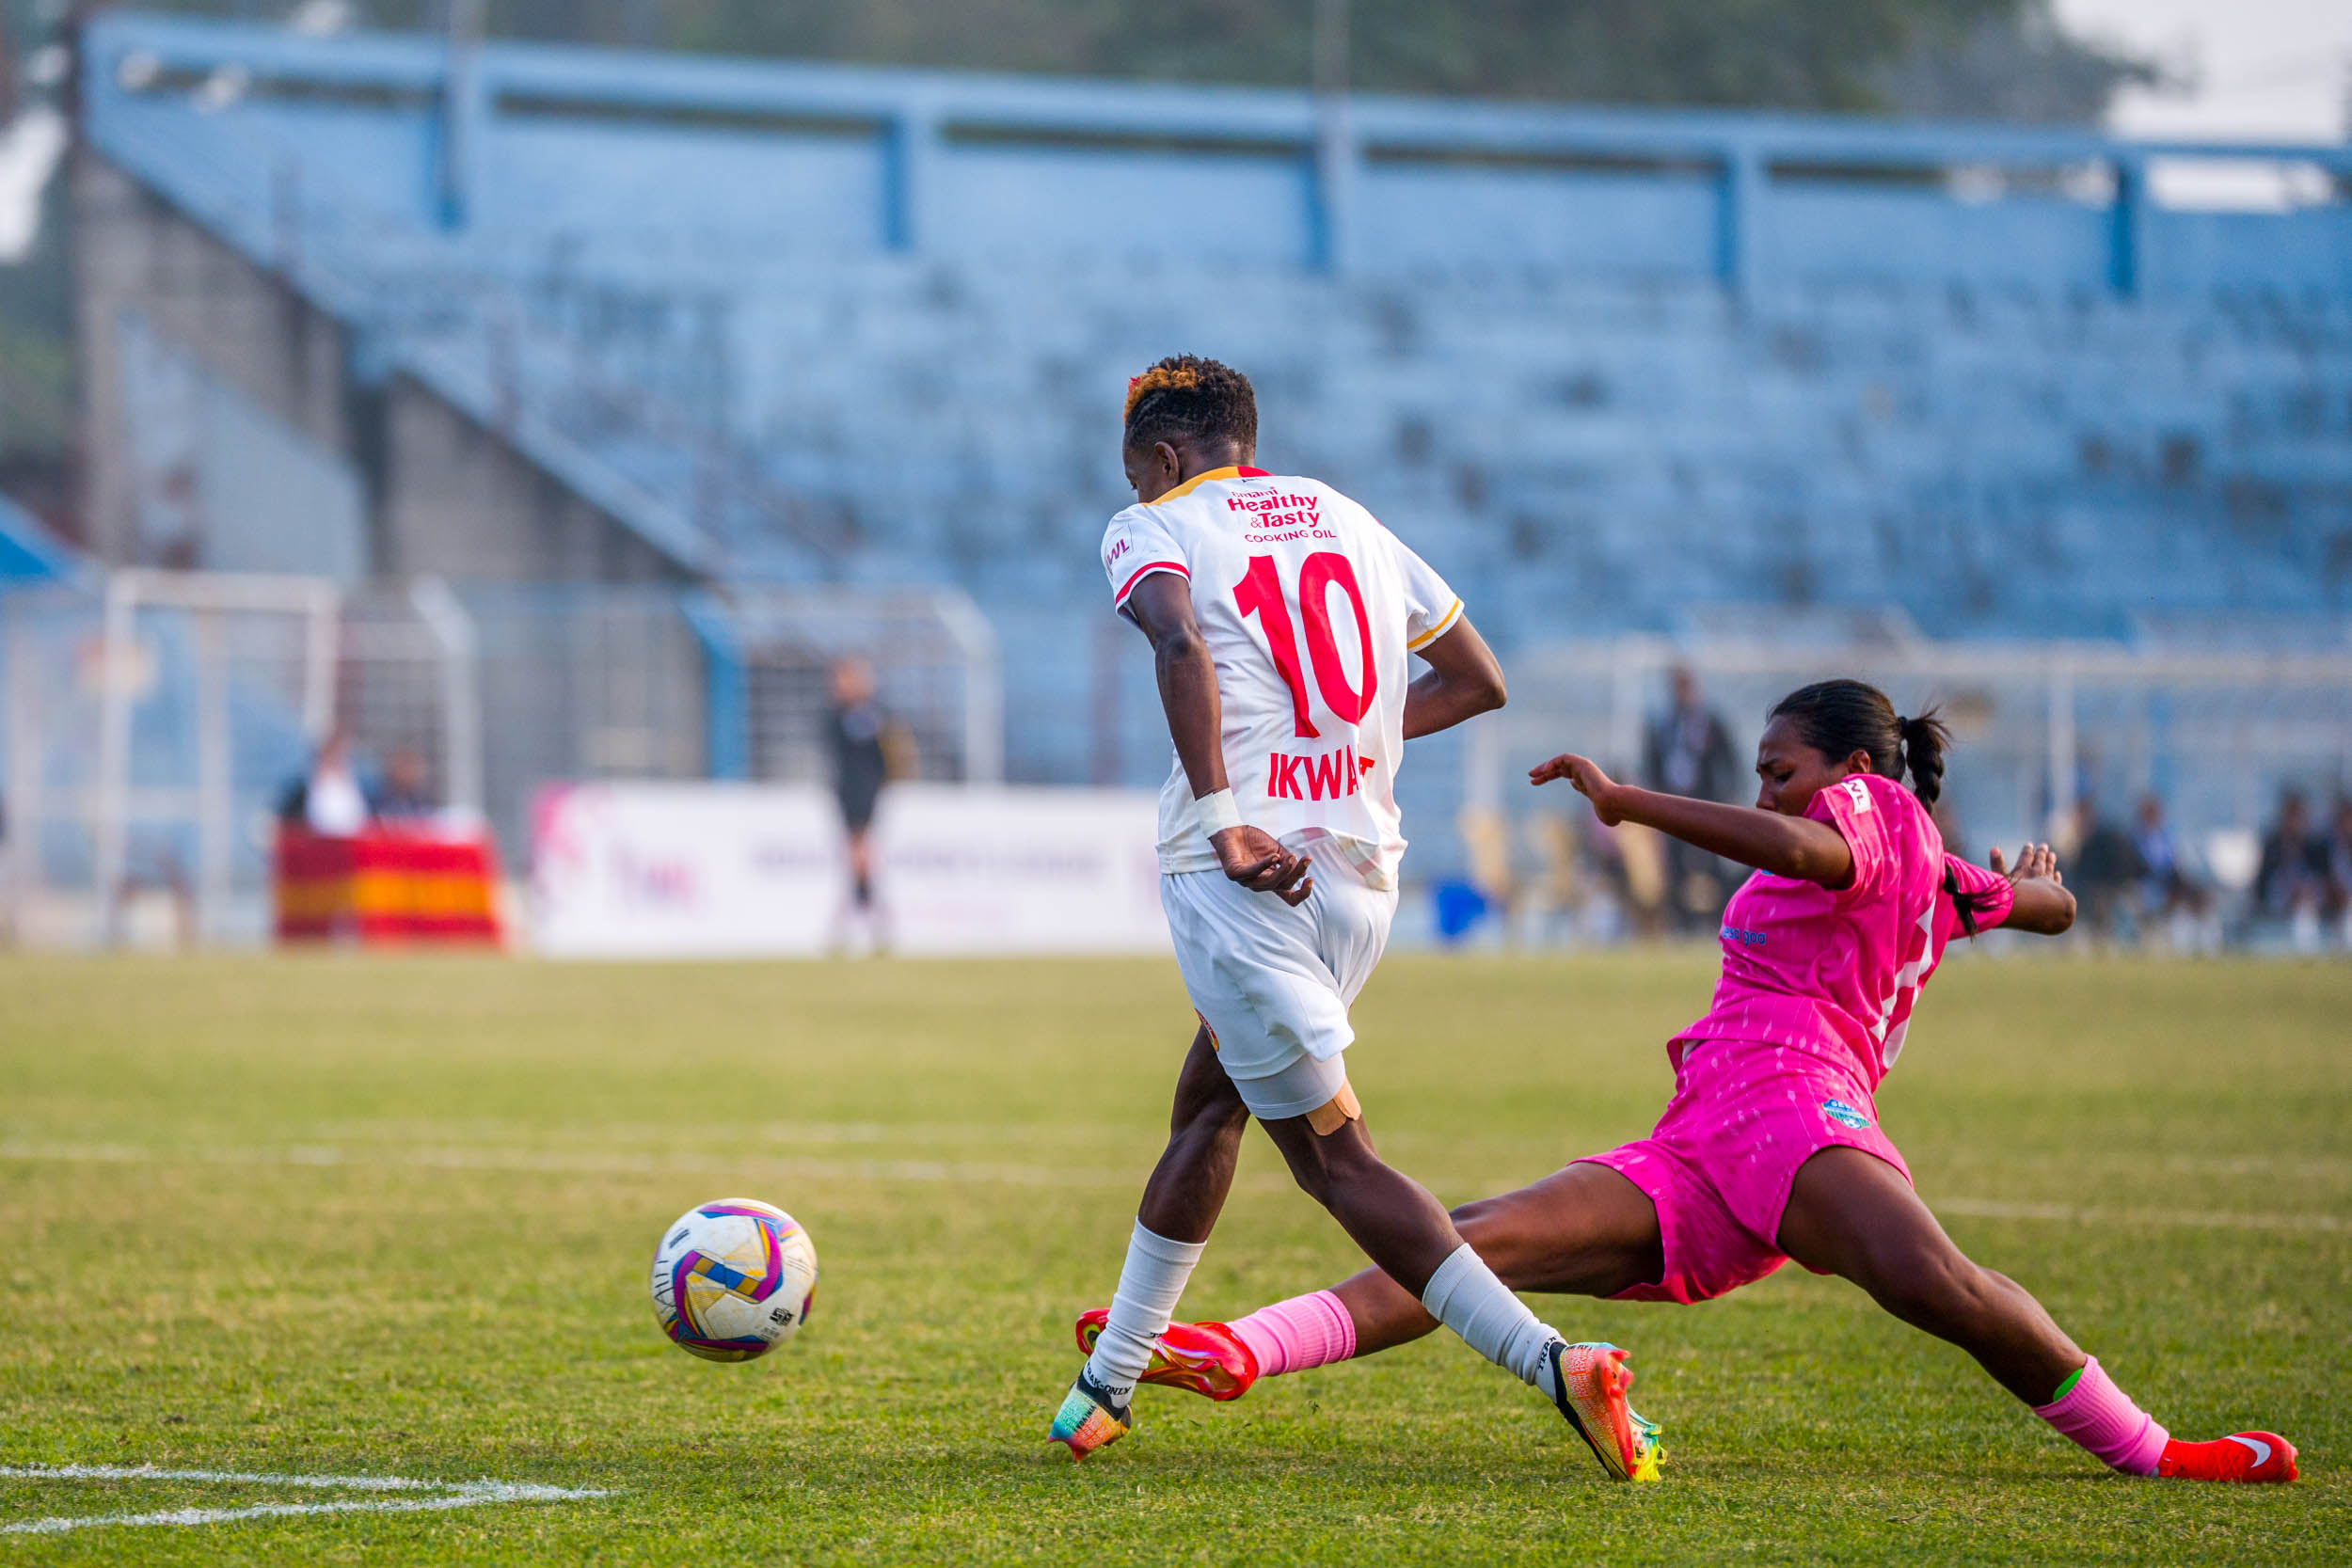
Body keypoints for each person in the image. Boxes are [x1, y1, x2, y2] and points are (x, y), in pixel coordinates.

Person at [1089, 680, 2297, 1485]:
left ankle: (2152, 1449)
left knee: (1943, 1286)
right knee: (1474, 1240)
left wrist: (1629, 802)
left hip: (1795, 1109)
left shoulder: (1873, 810)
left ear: (1852, 766)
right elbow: (2039, 906)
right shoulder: (1929, 868)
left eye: (1779, 768)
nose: (1766, 790)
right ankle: (1242, 1348)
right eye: (1761, 775)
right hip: (1703, 1138)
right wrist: (2034, 887)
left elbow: (1805, 844)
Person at [1049, 356, 1657, 1478]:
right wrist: (1351, 742)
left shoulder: (1153, 525)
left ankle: (1553, 1361)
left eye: (1136, 471)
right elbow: (1478, 677)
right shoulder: (1348, 517)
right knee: (1209, 1102)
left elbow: (1178, 642)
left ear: (1164, 456)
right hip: (1360, 875)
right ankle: (1108, 1382)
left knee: (1337, 1161)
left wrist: (1227, 818)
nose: (1134, 490)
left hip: (1247, 879)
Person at [1642, 666, 1737, 932]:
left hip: (1705, 800)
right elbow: (1651, 761)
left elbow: (1727, 758)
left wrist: (1728, 792)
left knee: (1714, 859)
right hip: (1671, 802)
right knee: (1674, 863)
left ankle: (1722, 916)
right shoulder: (1661, 723)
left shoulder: (1709, 721)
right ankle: (1682, 921)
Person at [826, 656, 895, 949]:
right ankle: (865, 911)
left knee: (861, 853)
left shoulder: (874, 714)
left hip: (866, 790)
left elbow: (888, 752)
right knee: (857, 854)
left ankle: (863, 911)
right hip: (847, 791)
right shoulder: (836, 716)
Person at [2253, 790, 2327, 921]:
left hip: (2313, 916)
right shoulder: (2272, 849)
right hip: (2277, 916)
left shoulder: (2316, 850)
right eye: (2289, 817)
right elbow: (2262, 889)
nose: (2293, 823)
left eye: (2297, 817)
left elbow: (2325, 885)